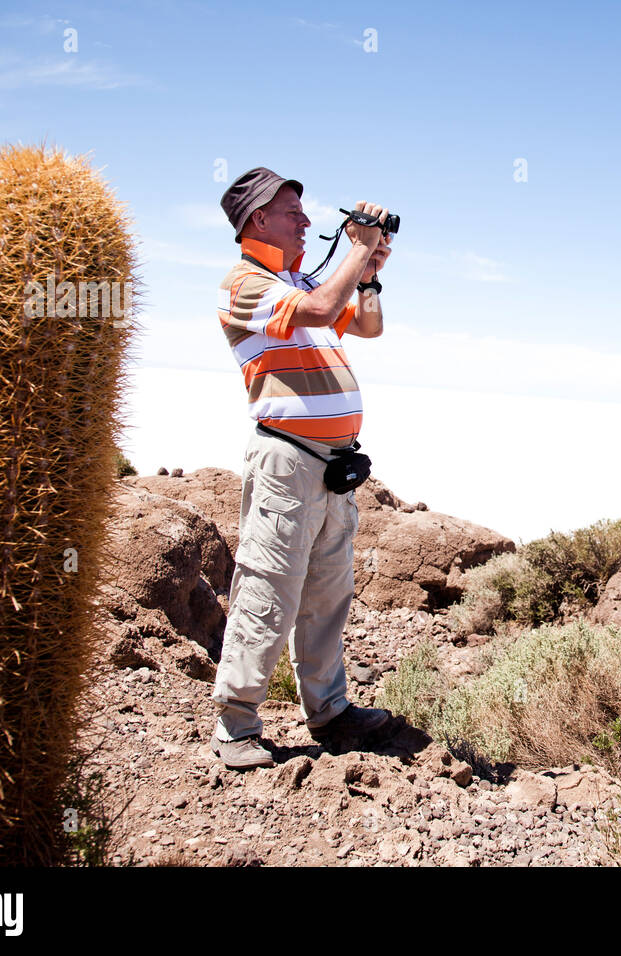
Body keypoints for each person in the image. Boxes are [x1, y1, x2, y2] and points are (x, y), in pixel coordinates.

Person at [209, 166, 394, 769]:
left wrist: (368, 276)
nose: (308, 223)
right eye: (294, 212)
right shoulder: (247, 286)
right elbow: (319, 307)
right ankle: (236, 724)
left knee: (325, 594)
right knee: (268, 589)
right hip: (287, 463)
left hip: (331, 467)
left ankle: (330, 711)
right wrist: (358, 246)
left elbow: (367, 324)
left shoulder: (292, 281)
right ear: (259, 219)